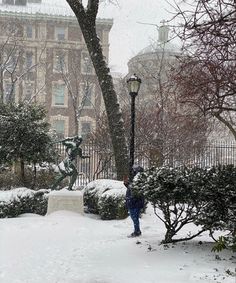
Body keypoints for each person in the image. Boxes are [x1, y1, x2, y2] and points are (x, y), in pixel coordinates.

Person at [124, 165, 144, 238]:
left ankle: (137, 231)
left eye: (134, 171)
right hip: (133, 202)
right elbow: (131, 188)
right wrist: (126, 184)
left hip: (135, 202)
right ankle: (137, 230)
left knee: (134, 217)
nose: (132, 172)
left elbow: (134, 190)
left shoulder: (139, 180)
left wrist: (130, 198)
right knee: (134, 217)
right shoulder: (136, 179)